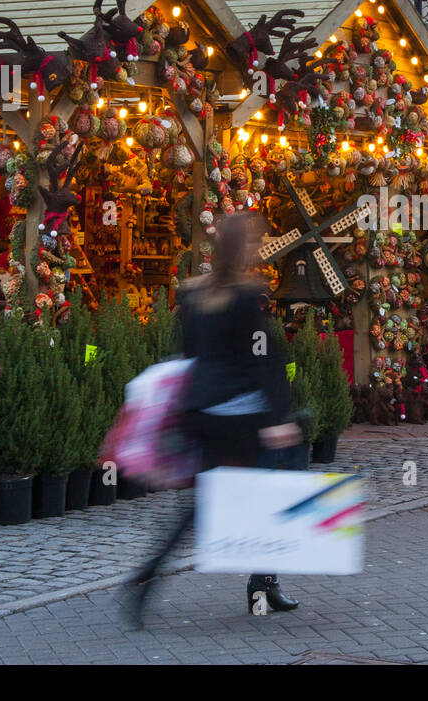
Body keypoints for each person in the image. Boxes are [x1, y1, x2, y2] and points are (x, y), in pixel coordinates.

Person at [122, 213, 302, 627]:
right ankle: (262, 583)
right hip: (242, 412)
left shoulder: (192, 294)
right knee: (270, 489)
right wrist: (279, 417)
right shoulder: (245, 295)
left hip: (201, 410)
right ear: (245, 249)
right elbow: (266, 359)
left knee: (203, 505)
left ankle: (147, 574)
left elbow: (186, 354)